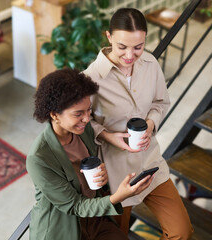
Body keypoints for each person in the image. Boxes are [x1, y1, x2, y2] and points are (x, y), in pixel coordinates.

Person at [83, 8, 193, 239]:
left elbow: (160, 102)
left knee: (181, 232)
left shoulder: (150, 63)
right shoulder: (90, 78)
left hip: (150, 163)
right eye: (122, 47)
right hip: (115, 175)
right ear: (109, 37)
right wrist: (106, 135)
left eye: (138, 46)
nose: (131, 55)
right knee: (116, 235)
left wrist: (151, 123)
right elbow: (81, 122)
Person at [26, 68, 154, 240]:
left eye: (88, 110)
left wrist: (101, 180)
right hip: (64, 228)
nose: (87, 119)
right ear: (55, 115)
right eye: (78, 114)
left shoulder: (83, 131)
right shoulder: (39, 158)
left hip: (95, 218)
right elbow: (75, 206)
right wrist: (117, 197)